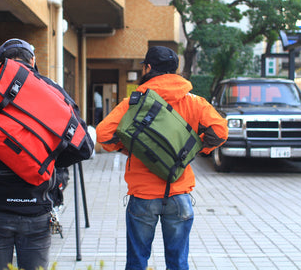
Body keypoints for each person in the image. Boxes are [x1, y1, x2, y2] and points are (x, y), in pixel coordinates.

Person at [0, 38, 92, 270]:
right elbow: (82, 147)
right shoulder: (52, 90)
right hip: (37, 209)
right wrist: (45, 160)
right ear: (33, 61)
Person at [96, 46, 228, 270]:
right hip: (178, 194)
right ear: (175, 70)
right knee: (178, 263)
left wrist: (131, 148)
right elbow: (220, 132)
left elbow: (103, 135)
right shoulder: (194, 101)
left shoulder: (134, 102)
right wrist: (194, 150)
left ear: (148, 68)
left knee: (137, 262)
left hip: (143, 195)